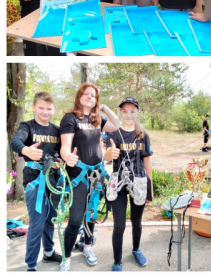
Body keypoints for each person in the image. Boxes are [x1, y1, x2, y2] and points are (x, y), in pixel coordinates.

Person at [59, 83, 120, 271]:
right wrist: (67, 156)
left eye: (93, 96)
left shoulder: (97, 119)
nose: (89, 97)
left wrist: (102, 108)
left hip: (98, 174)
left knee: (91, 214)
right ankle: (66, 258)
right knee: (76, 218)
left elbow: (116, 123)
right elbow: (65, 146)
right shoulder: (70, 118)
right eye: (86, 94)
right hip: (79, 175)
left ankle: (87, 247)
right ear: (79, 97)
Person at [10, 92, 64, 271]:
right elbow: (15, 141)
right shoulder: (28, 126)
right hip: (35, 183)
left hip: (53, 182)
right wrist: (26, 150)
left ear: (53, 109)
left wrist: (59, 162)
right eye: (41, 108)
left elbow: (61, 153)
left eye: (49, 109)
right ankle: (31, 265)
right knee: (37, 223)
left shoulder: (56, 130)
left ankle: (48, 252)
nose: (45, 112)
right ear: (33, 107)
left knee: (50, 220)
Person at [104, 97, 153, 271]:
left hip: (139, 182)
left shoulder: (143, 135)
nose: (128, 115)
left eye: (132, 111)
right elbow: (107, 158)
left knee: (136, 221)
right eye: (125, 111)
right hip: (119, 184)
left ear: (138, 112)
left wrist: (150, 188)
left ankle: (136, 250)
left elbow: (147, 163)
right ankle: (117, 261)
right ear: (120, 112)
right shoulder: (114, 135)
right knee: (119, 225)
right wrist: (110, 152)